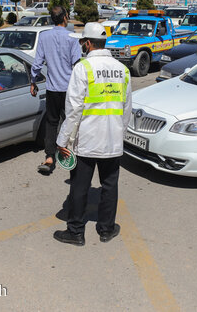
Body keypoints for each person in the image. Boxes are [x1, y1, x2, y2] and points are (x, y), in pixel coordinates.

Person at [54, 22, 132, 246]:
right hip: (112, 140)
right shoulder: (123, 70)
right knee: (109, 185)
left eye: (82, 42)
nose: (81, 46)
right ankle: (106, 229)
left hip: (87, 140)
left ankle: (76, 232)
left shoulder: (83, 68)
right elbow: (126, 109)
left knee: (79, 186)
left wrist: (63, 141)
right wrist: (120, 135)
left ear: (88, 43)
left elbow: (73, 110)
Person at [30, 6, 81, 174]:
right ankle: (70, 154)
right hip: (69, 89)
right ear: (65, 17)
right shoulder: (73, 37)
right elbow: (77, 65)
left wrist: (33, 81)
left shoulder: (44, 36)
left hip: (52, 89)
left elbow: (37, 63)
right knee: (71, 122)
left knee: (51, 123)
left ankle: (49, 157)